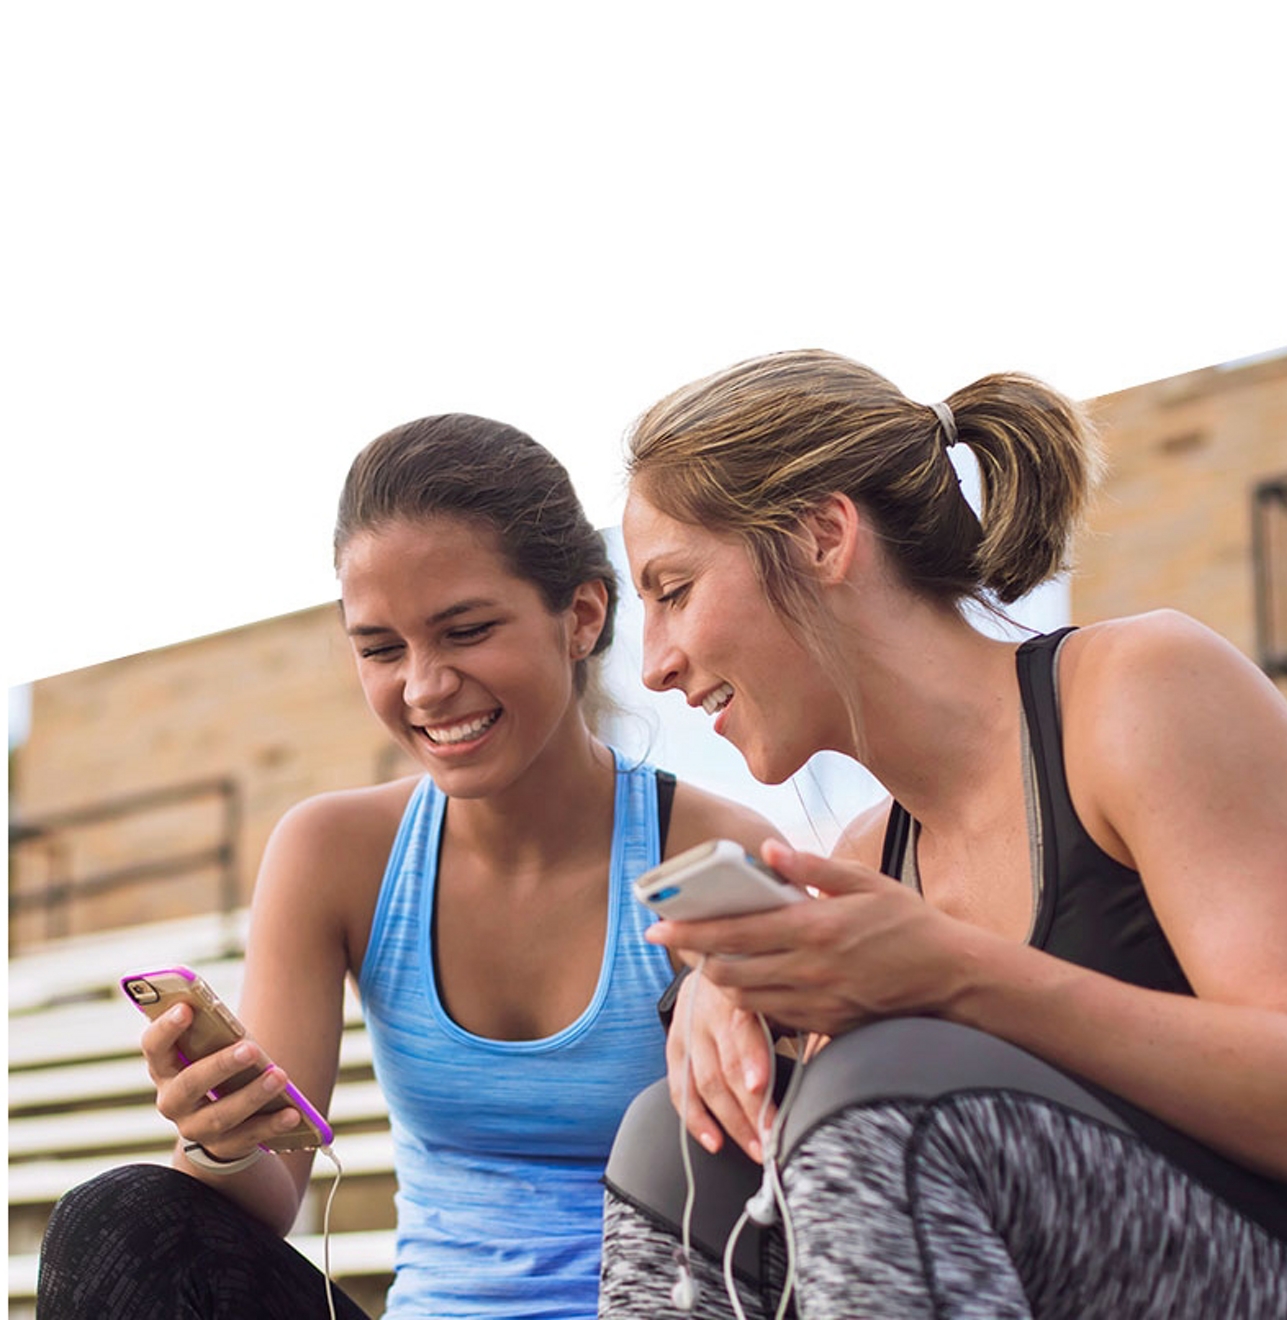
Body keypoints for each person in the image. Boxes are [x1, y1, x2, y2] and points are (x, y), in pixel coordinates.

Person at [600, 350, 1287, 1319]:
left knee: (881, 1082)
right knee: (673, 1141)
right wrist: (719, 1003)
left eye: (674, 589)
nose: (655, 666)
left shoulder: (1138, 692)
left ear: (822, 535)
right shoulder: (862, 862)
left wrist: (959, 979)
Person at [36, 413, 778, 1320]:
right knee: (117, 1219)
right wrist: (222, 1141)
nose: (423, 687)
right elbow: (274, 1194)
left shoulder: (710, 855)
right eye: (381, 649)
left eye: (464, 632)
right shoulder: (333, 853)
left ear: (582, 616)